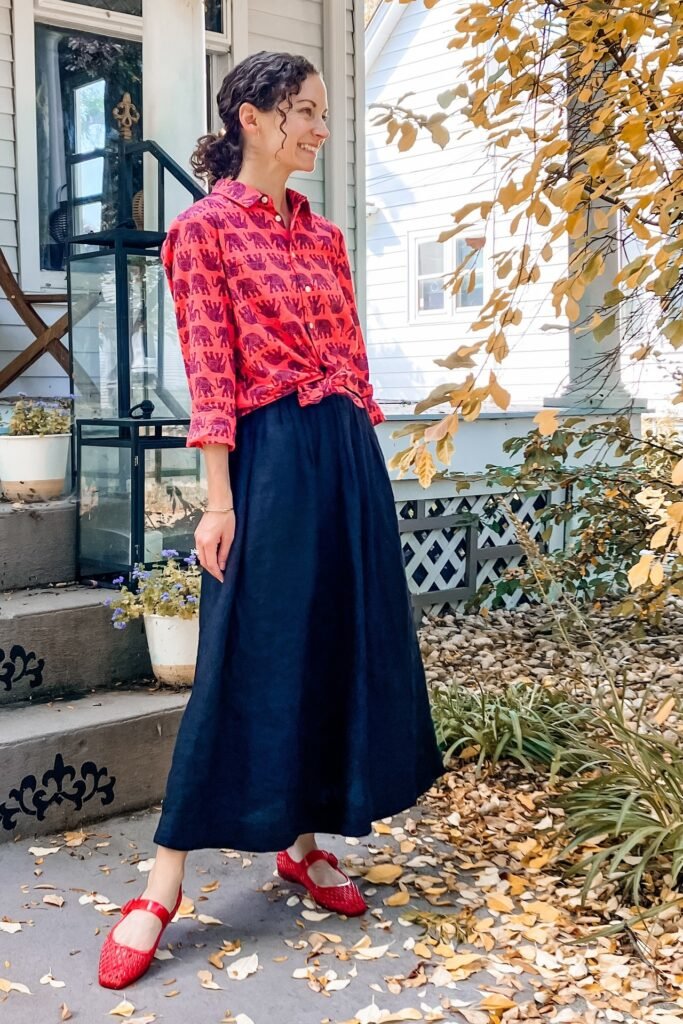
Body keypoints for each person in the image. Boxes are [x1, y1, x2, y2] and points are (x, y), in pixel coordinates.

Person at [98, 50, 446, 991]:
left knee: (331, 640)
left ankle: (303, 840)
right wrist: (219, 500)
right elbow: (210, 370)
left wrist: (362, 453)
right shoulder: (202, 231)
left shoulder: (324, 235)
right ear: (250, 117)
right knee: (245, 652)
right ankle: (162, 880)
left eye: (324, 112)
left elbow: (353, 353)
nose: (319, 128)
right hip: (268, 456)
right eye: (304, 111)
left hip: (343, 451)